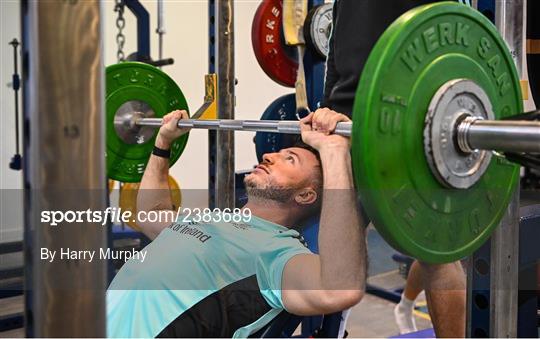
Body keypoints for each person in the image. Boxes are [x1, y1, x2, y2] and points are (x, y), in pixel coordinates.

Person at [107, 109, 368, 337]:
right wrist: (162, 143)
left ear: (305, 195)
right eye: (277, 152)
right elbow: (150, 214)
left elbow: (338, 290)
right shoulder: (213, 220)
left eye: (290, 159)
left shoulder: (277, 254)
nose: (268, 155)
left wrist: (334, 152)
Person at [321, 0, 466, 337]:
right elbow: (336, 43)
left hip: (400, 116)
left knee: (434, 252)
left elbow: (456, 27)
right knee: (335, 252)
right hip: (369, 119)